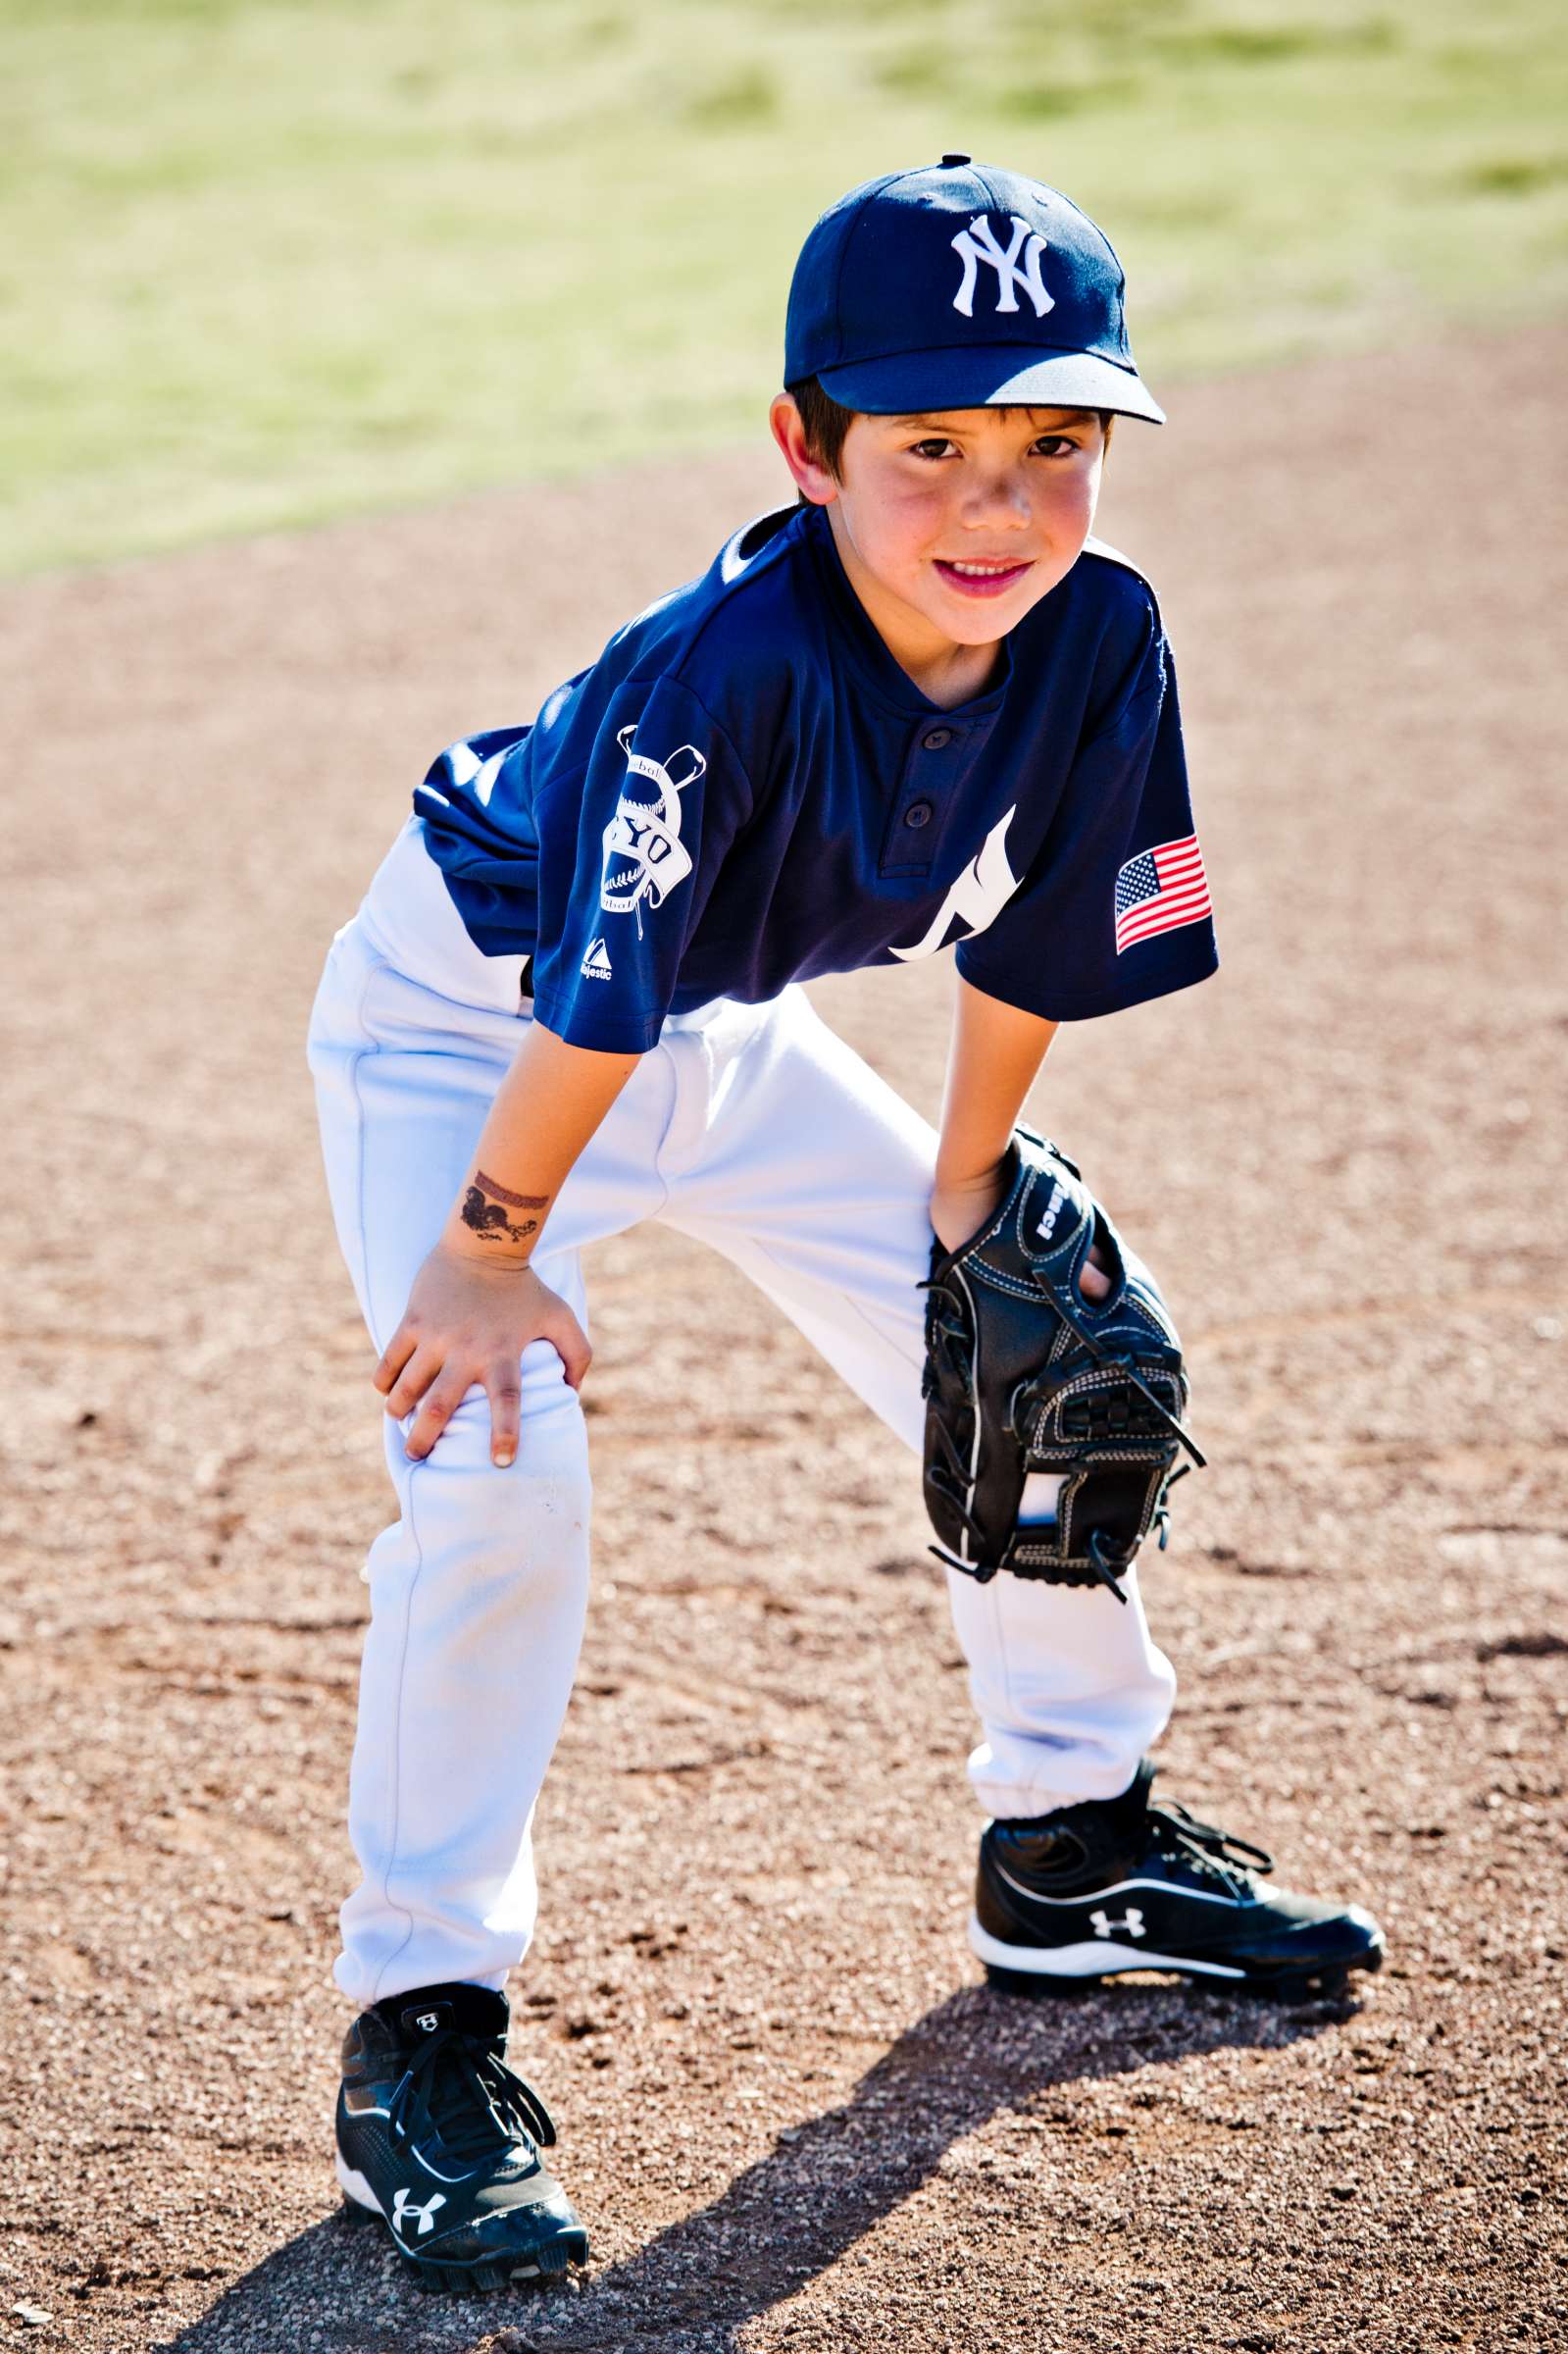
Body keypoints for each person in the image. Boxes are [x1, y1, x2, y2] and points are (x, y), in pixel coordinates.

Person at [308, 158, 1383, 2292]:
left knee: (1033, 1351)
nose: (994, 502)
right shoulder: (718, 673)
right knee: (497, 1482)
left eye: (1051, 442)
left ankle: (1068, 1838)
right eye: (927, 448)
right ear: (800, 450)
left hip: (724, 1029)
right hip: (476, 1045)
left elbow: (1038, 947)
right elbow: (583, 1002)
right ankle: (418, 2022)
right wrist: (490, 1243)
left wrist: (969, 1190)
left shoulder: (1099, 631)